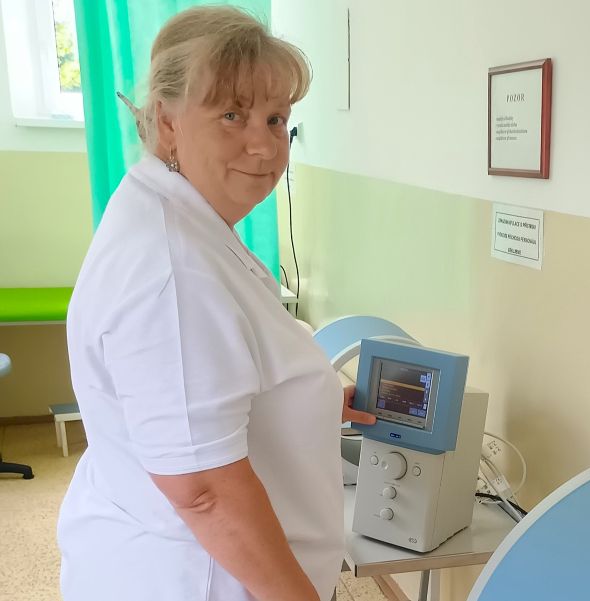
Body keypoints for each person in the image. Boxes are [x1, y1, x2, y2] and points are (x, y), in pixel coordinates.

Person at [58, 7, 374, 601]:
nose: (264, 145)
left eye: (276, 119)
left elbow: (199, 391)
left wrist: (306, 406)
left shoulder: (179, 218)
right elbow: (203, 490)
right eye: (231, 114)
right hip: (202, 578)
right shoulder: (172, 269)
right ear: (167, 122)